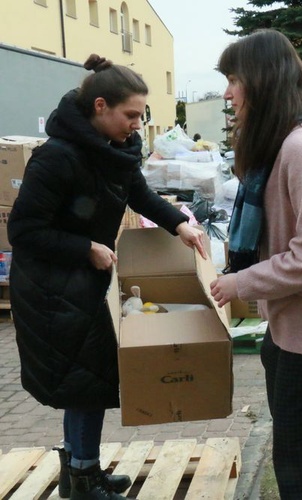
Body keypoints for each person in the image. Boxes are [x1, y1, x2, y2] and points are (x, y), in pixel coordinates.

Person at [8, 54, 207, 500]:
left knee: (90, 377)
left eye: (141, 115)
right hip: (50, 287)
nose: (138, 124)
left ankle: (84, 469)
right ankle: (81, 478)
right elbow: (22, 231)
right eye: (131, 115)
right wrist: (85, 248)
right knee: (83, 382)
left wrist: (180, 223)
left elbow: (138, 192)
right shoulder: (56, 158)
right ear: (100, 106)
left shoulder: (112, 152)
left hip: (82, 282)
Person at [209, 30, 302, 500]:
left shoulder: (300, 150)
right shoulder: (281, 145)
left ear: (263, 79)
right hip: (290, 328)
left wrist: (240, 282)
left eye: (235, 79)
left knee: (296, 470)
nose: (228, 93)